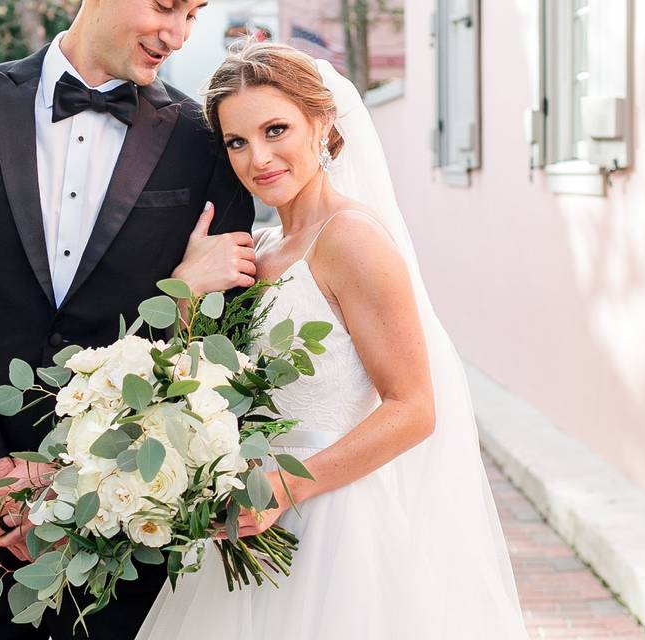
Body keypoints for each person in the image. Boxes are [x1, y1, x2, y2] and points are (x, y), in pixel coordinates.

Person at [0, 0, 256, 637]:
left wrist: (185, 291)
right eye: (166, 5)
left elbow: (212, 346)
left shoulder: (205, 142)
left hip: (128, 529)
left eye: (194, 14)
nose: (177, 33)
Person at [137, 41, 529, 639]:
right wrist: (187, 291)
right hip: (241, 522)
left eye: (275, 129)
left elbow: (414, 409)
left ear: (321, 121)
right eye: (237, 142)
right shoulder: (257, 248)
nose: (258, 158)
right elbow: (203, 389)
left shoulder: (351, 239)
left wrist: (282, 487)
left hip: (331, 525)